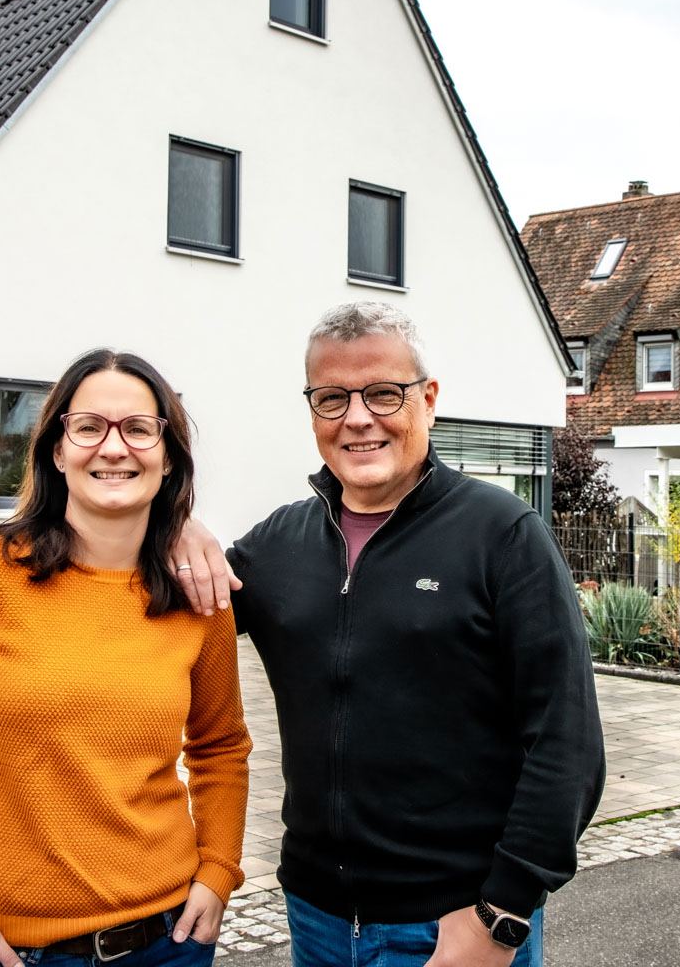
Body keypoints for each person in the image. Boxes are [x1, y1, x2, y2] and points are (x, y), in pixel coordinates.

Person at [175, 303, 604, 967]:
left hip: (453, 925)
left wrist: (501, 916)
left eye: (382, 393)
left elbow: (567, 743)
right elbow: (161, 601)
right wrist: (175, 527)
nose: (357, 418)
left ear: (428, 400)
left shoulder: (503, 536)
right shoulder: (278, 547)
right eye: (332, 398)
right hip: (315, 918)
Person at [0, 348, 250, 967]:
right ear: (56, 449)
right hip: (9, 949)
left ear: (168, 453)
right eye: (89, 427)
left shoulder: (195, 591)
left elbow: (221, 746)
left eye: (139, 429)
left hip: (169, 942)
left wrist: (218, 870)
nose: (114, 447)